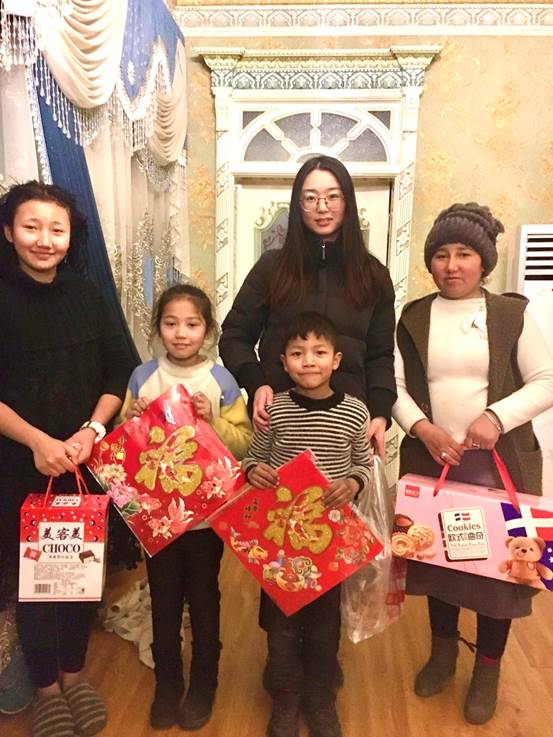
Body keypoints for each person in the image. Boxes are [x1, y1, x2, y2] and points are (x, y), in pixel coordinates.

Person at [393, 202, 553, 724]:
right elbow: (394, 385)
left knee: (497, 577)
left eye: (464, 253)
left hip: (500, 467)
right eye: (441, 254)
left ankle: (487, 669)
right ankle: (442, 655)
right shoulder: (413, 316)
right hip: (435, 461)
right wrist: (423, 427)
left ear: (483, 261)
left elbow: (547, 380)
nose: (452, 265)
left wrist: (496, 417)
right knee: (440, 564)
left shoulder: (511, 314)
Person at [0, 181, 134, 737]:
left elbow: (119, 370)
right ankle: (46, 688)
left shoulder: (87, 294)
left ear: (71, 236)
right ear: (8, 231)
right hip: (17, 468)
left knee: (80, 574)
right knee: (34, 582)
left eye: (56, 229)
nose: (44, 239)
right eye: (31, 227)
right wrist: (36, 441)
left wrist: (93, 429)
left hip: (84, 464)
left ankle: (75, 677)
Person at [120, 283, 252, 731]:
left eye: (192, 324)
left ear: (207, 330)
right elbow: (122, 447)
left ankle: (205, 680)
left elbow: (244, 443)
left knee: (204, 596)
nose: (181, 333)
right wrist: (131, 419)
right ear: (158, 328)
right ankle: (168, 681)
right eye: (171, 323)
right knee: (163, 598)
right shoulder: (142, 376)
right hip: (155, 520)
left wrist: (211, 420)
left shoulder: (221, 380)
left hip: (206, 519)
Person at [242, 311, 373, 737]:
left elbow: (363, 465)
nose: (309, 361)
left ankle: (320, 699)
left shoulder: (354, 412)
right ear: (284, 362)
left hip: (329, 542)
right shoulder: (275, 410)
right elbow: (253, 456)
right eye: (298, 353)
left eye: (319, 352)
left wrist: (353, 482)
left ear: (336, 360)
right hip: (279, 540)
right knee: (280, 626)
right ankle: (286, 697)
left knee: (323, 626)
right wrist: (253, 470)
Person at [219, 155, 396, 457]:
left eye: (333, 197)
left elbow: (380, 355)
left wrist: (380, 413)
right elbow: (235, 336)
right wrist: (256, 383)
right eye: (311, 198)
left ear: (347, 202)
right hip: (278, 423)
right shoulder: (272, 267)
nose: (322, 207)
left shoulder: (373, 275)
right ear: (298, 205)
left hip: (345, 428)